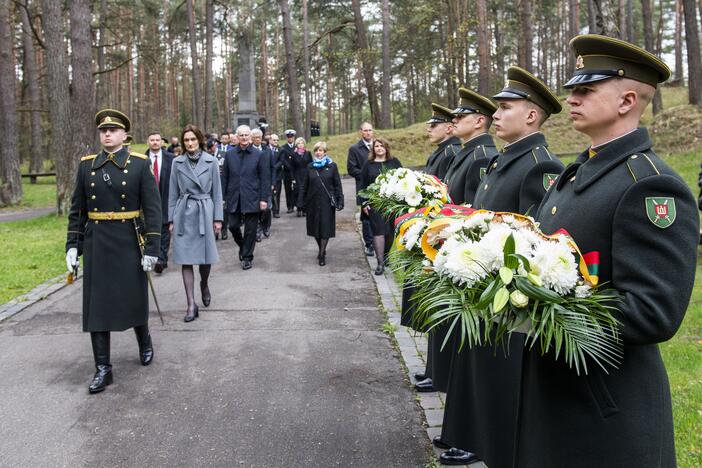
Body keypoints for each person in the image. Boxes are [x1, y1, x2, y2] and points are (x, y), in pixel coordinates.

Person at [513, 35, 698, 468]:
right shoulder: (579, 171)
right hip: (557, 389)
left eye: (584, 90)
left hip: (604, 410)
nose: (570, 98)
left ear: (627, 100)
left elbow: (653, 310)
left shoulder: (649, 186)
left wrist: (540, 308)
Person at [439, 67, 565, 468]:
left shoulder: (539, 165)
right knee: (480, 367)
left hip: (506, 291)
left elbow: (532, 237)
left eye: (506, 107)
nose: (496, 114)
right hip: (484, 283)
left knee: (499, 374)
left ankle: (493, 445)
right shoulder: (505, 160)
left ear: (531, 116)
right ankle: (476, 439)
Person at [65, 108, 161, 394]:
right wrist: (73, 246)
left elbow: (153, 210)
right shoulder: (86, 166)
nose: (107, 134)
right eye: (103, 131)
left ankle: (144, 340)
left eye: (113, 130)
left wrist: (152, 248)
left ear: (124, 135)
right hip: (97, 242)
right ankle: (103, 368)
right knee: (97, 305)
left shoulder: (139, 165)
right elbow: (77, 210)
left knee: (132, 297)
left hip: (129, 240)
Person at [405, 99, 471, 396]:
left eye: (435, 124)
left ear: (447, 128)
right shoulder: (444, 153)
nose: (429, 129)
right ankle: (435, 369)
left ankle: (439, 371)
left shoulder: (453, 153)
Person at [168, 125, 223, 322]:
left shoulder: (211, 161)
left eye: (193, 139)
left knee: (206, 259)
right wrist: (171, 219)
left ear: (199, 140)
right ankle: (191, 304)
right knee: (185, 259)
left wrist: (218, 218)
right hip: (183, 212)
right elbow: (172, 193)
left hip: (204, 210)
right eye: (186, 140)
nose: (189, 143)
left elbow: (217, 192)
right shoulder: (177, 163)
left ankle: (204, 284)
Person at [222, 125, 271, 270]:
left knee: (250, 229)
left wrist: (263, 199)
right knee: (233, 226)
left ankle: (247, 257)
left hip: (252, 196)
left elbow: (264, 178)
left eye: (246, 135)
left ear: (250, 137)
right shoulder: (230, 155)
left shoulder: (259, 155)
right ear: (236, 137)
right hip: (234, 196)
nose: (244, 138)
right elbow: (225, 177)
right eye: (241, 135)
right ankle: (243, 247)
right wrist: (223, 197)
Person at [359, 138, 402, 275]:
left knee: (389, 233)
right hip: (375, 203)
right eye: (376, 146)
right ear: (373, 149)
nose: (379, 148)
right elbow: (363, 185)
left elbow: (403, 180)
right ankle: (380, 263)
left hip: (391, 203)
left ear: (386, 148)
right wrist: (364, 203)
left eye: (381, 146)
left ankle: (386, 256)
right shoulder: (368, 164)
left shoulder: (394, 162)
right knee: (378, 232)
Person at [297, 141, 344, 266]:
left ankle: (322, 254)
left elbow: (337, 184)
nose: (318, 153)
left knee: (325, 227)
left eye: (321, 150)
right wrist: (300, 201)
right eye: (316, 150)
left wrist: (340, 200)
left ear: (325, 152)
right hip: (312, 201)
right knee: (314, 228)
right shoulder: (310, 166)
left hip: (327, 202)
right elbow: (304, 185)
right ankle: (320, 248)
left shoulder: (332, 166)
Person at [146, 131, 175, 274]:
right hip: (147, 200)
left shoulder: (171, 158)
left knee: (165, 230)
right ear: (148, 142)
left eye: (158, 140)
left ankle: (161, 260)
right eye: (152, 140)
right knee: (150, 229)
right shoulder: (142, 159)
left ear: (162, 142)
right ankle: (151, 255)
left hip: (166, 197)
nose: (155, 142)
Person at [347, 122, 375, 257]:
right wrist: (366, 175)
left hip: (380, 187)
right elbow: (351, 169)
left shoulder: (378, 146)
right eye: (365, 130)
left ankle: (380, 243)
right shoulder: (355, 149)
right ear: (361, 132)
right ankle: (369, 244)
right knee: (367, 216)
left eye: (370, 130)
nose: (368, 133)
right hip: (364, 187)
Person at [424, 103, 461, 181]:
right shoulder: (442, 151)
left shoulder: (451, 153)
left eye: (433, 125)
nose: (429, 129)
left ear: (449, 128)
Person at [251, 128, 273, 240]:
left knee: (267, 208)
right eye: (254, 137)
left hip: (266, 183)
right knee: (256, 209)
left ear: (261, 138)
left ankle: (266, 226)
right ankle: (257, 230)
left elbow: (272, 167)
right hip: (253, 185)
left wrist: (273, 182)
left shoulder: (267, 150)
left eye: (258, 137)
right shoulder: (249, 151)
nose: (257, 139)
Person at [292, 137, 313, 217]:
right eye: (299, 143)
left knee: (306, 191)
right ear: (296, 145)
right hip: (298, 175)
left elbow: (311, 164)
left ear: (304, 144)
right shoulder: (294, 154)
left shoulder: (308, 153)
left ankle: (304, 208)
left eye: (302, 143)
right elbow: (292, 167)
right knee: (299, 191)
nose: (301, 145)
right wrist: (293, 178)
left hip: (307, 174)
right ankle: (299, 208)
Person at [279, 130, 297, 213]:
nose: (290, 138)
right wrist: (290, 167)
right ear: (287, 138)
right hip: (286, 172)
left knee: (296, 188)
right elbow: (282, 159)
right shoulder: (283, 147)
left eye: (292, 137)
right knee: (288, 189)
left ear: (294, 137)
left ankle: (297, 205)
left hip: (296, 172)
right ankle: (290, 206)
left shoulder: (297, 147)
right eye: (289, 137)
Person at [269, 134, 283, 218]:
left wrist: (273, 167)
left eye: (277, 140)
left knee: (276, 193)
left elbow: (281, 161)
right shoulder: (265, 149)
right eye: (274, 140)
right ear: (270, 140)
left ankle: (276, 211)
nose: (276, 142)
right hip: (267, 175)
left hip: (277, 174)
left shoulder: (281, 150)